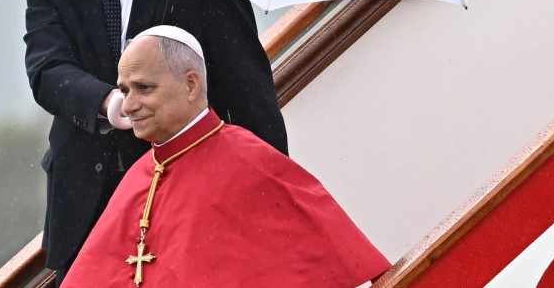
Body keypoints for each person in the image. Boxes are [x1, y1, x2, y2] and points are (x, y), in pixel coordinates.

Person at [24, 0, 289, 283]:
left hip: (187, 198)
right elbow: (46, 70)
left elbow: (247, 95)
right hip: (84, 206)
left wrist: (274, 203)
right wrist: (112, 103)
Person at [62, 26, 390, 287]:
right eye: (125, 89)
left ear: (191, 85)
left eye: (144, 88)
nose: (129, 105)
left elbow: (312, 270)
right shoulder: (138, 176)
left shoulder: (249, 161)